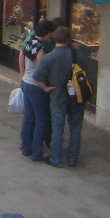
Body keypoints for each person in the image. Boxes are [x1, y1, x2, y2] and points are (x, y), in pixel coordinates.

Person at [36, 26, 84, 168]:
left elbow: (38, 77)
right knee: (75, 127)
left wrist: (46, 88)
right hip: (76, 95)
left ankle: (56, 159)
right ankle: (73, 158)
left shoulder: (50, 57)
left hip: (58, 95)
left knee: (58, 127)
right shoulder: (76, 54)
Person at [19, 18, 57, 162]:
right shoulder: (40, 49)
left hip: (26, 83)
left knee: (29, 117)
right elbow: (40, 73)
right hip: (35, 87)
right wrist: (45, 87)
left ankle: (26, 147)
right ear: (47, 33)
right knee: (41, 119)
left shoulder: (30, 41)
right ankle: (37, 152)